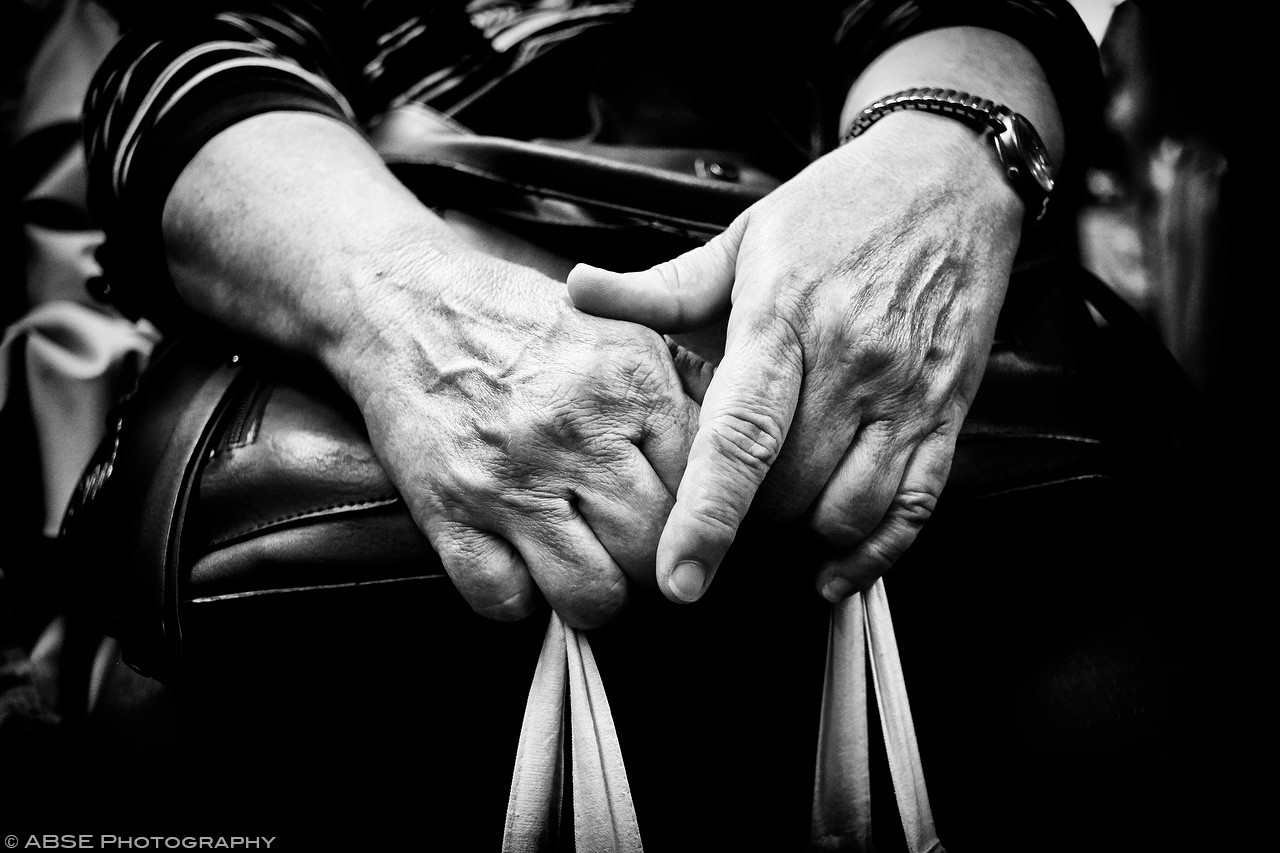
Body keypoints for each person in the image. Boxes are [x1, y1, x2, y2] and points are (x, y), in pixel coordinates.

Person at [80, 2, 1218, 850]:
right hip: (379, 235)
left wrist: (942, 152)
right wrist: (406, 308)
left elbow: (957, 12)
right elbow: (186, 70)